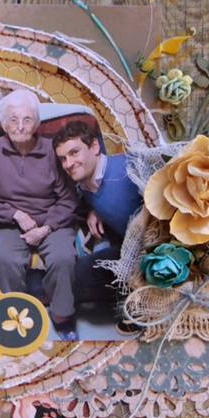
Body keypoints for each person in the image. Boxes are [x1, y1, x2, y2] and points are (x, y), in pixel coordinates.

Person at [0, 88, 81, 339]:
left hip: (51, 219)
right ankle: (15, 314)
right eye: (13, 120)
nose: (20, 126)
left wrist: (45, 228)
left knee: (63, 257)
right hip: (10, 222)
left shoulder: (52, 150)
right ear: (4, 124)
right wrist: (16, 215)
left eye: (27, 119)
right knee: (4, 257)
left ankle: (62, 316)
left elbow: (68, 199)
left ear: (36, 124)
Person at [52, 118, 143, 309]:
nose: (68, 163)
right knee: (80, 275)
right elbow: (100, 194)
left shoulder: (129, 167)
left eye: (74, 153)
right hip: (128, 251)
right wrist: (95, 210)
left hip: (159, 249)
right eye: (63, 158)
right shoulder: (84, 185)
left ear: (94, 146)